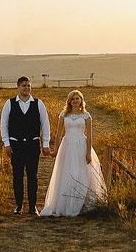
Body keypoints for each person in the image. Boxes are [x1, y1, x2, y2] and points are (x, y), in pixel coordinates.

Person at [39, 89, 107, 217]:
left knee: (80, 173)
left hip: (81, 144)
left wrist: (88, 152)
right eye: (73, 99)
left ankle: (80, 203)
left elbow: (90, 136)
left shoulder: (86, 116)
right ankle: (65, 203)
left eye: (77, 98)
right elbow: (58, 134)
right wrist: (55, 150)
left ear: (81, 100)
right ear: (69, 101)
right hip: (67, 145)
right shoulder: (64, 115)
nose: (75, 101)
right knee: (67, 172)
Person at [0, 75, 52, 215]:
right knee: (17, 175)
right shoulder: (9, 104)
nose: (26, 88)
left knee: (32, 176)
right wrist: (7, 143)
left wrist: (45, 143)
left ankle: (32, 206)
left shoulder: (38, 103)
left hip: (32, 145)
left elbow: (45, 125)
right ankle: (18, 205)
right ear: (18, 87)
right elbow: (3, 124)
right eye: (24, 85)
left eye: (28, 85)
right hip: (15, 145)